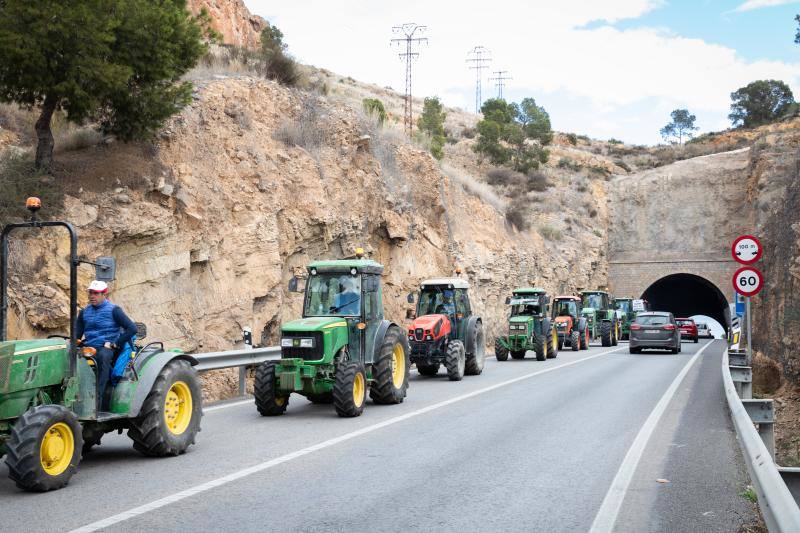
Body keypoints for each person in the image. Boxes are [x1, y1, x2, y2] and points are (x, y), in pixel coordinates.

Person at [75, 280, 137, 411]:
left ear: (104, 294)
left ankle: (98, 402)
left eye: (96, 293)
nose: (92, 296)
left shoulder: (115, 310)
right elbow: (77, 335)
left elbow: (132, 329)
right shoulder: (84, 312)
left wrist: (115, 344)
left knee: (103, 357)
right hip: (89, 348)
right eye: (90, 293)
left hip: (106, 348)